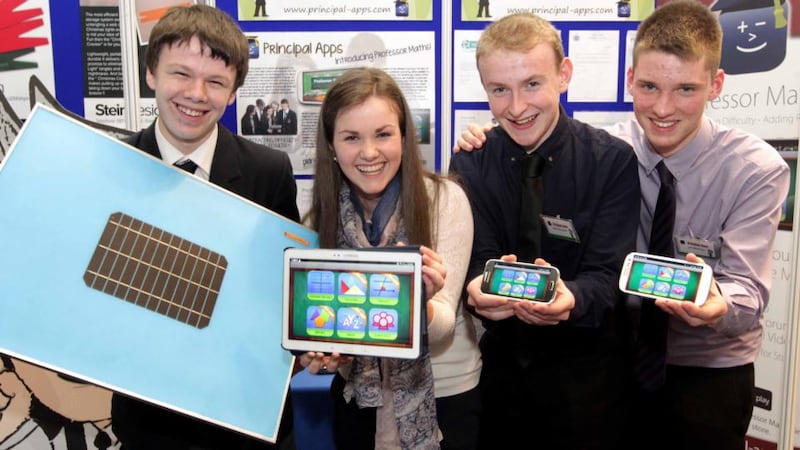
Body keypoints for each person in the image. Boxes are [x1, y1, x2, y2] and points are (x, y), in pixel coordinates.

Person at [454, 3, 791, 449]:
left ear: (716, 85)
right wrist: (482, 138)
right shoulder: (613, 148)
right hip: (620, 363)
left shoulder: (753, 168)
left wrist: (717, 304)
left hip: (708, 368)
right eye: (649, 86)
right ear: (630, 80)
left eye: (685, 89)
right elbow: (541, 130)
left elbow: (747, 290)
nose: (663, 108)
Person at [448, 13, 640, 450]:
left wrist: (571, 299)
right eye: (500, 90)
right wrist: (476, 290)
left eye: (532, 84)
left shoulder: (612, 162)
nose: (516, 107)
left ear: (564, 75)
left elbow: (610, 276)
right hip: (498, 387)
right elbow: (474, 262)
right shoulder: (470, 163)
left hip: (589, 386)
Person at [111, 5, 300, 450]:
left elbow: (282, 285)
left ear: (233, 92)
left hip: (245, 415)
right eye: (181, 74)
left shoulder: (268, 171)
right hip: (149, 418)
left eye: (215, 81)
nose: (196, 94)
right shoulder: (112, 166)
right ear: (151, 73)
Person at [299, 67, 482, 450]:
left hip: (444, 399)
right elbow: (331, 324)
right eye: (351, 137)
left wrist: (419, 305)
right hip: (358, 402)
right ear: (331, 145)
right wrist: (323, 350)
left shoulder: (444, 200)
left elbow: (444, 324)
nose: (369, 152)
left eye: (383, 134)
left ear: (404, 137)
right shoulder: (317, 219)